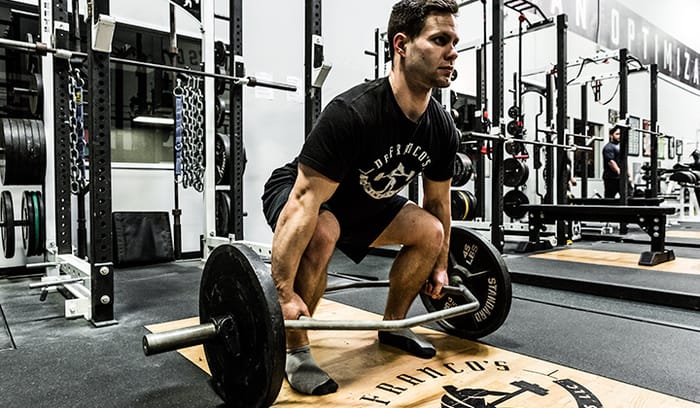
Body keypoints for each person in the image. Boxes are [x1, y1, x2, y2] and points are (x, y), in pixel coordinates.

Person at [261, 0, 460, 396]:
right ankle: (296, 348)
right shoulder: (353, 112)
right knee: (322, 230)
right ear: (401, 45)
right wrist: (282, 295)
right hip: (305, 195)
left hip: (366, 204)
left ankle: (393, 325)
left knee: (430, 230)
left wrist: (440, 267)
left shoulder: (441, 126)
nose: (452, 52)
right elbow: (303, 202)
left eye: (454, 41)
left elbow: (438, 203)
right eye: (439, 40)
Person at [602, 125, 631, 198]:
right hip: (611, 178)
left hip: (621, 177)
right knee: (609, 198)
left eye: (620, 134)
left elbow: (624, 161)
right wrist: (620, 172)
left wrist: (628, 175)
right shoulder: (608, 147)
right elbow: (611, 162)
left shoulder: (620, 147)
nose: (619, 136)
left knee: (629, 196)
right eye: (617, 134)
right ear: (611, 135)